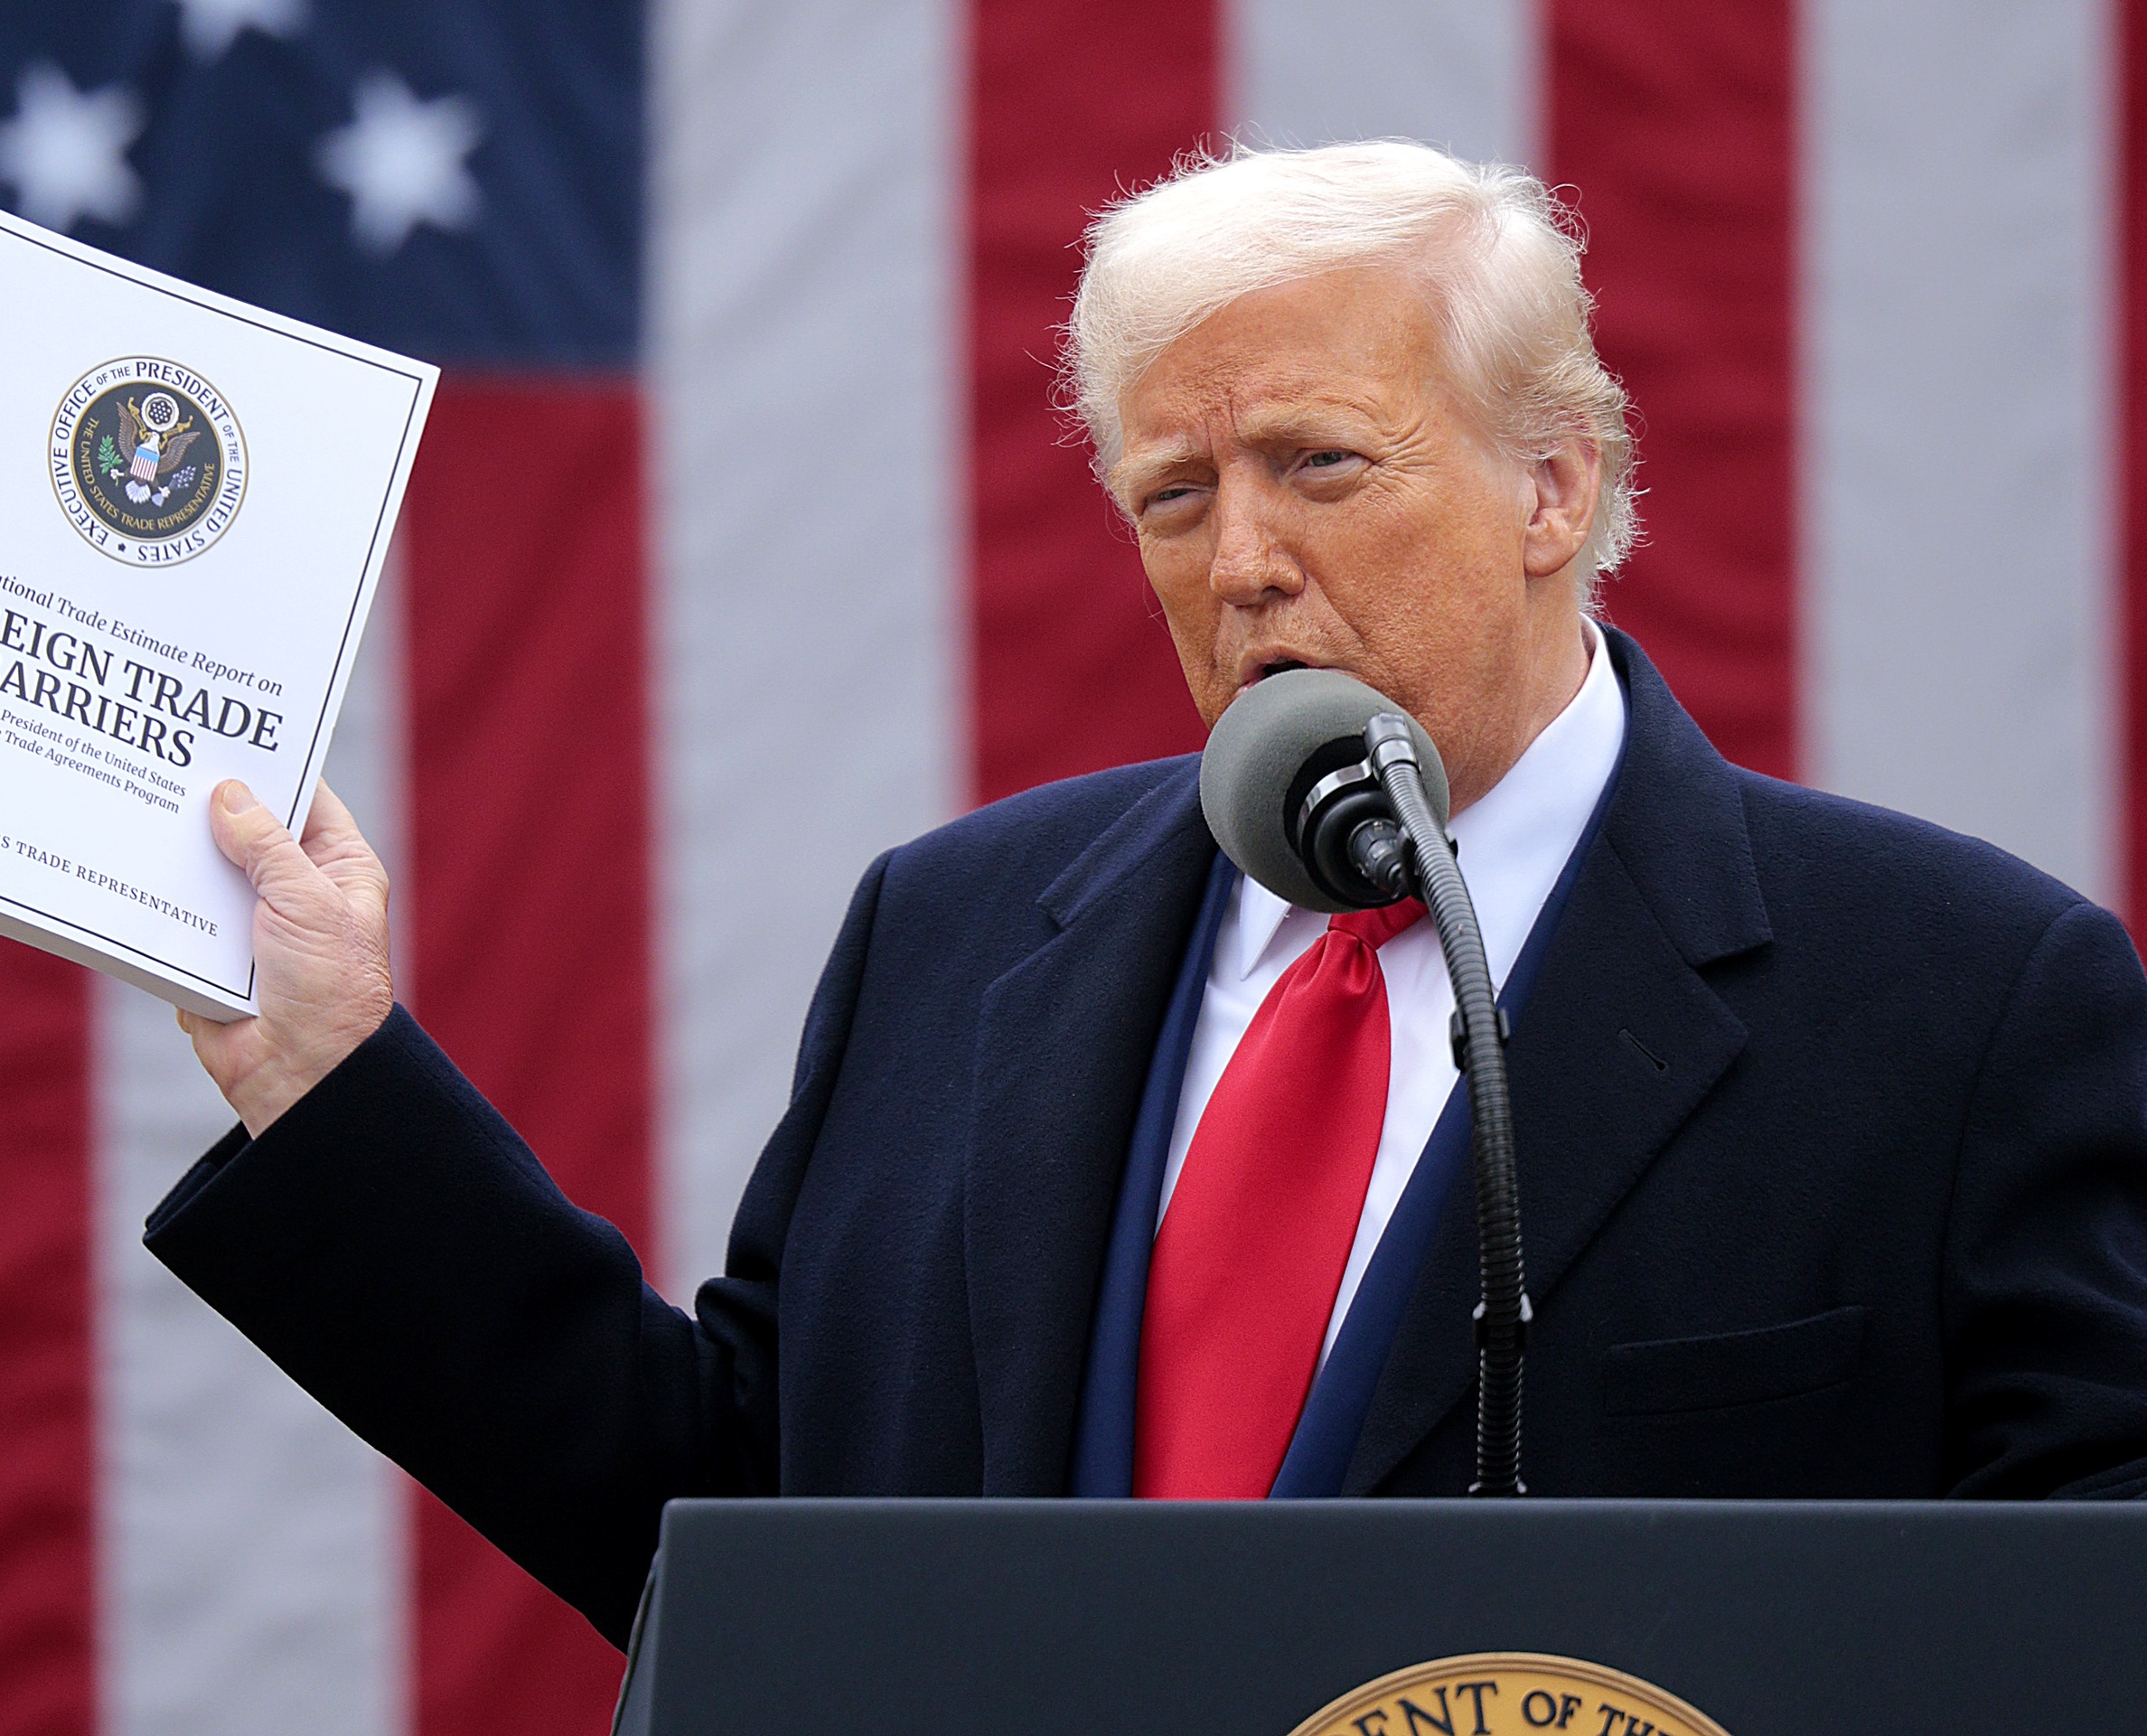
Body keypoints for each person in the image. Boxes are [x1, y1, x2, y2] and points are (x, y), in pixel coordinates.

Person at [149, 141, 2147, 1648]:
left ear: (1557, 483)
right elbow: (735, 1530)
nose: (1243, 561)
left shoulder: (1960, 1004)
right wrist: (334, 1083)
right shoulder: (948, 934)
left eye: (1322, 465)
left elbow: (2067, 1629)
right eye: (1176, 499)